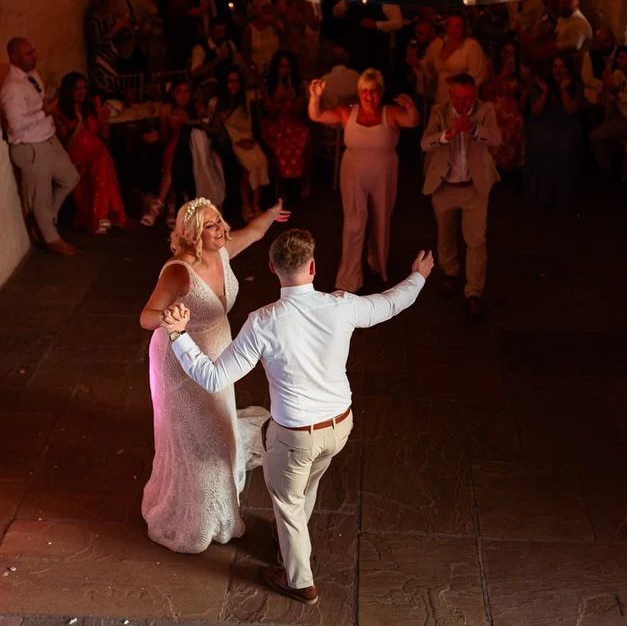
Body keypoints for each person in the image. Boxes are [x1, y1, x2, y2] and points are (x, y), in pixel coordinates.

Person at [160, 228, 434, 604]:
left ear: (272, 268)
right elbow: (390, 303)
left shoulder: (263, 322)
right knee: (307, 487)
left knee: (287, 503)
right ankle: (292, 544)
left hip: (294, 437)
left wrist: (179, 336)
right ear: (313, 267)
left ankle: (299, 580)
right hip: (339, 426)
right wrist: (418, 276)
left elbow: (213, 377)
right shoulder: (341, 305)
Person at [139, 197, 290, 553]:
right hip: (180, 359)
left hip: (217, 350)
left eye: (219, 220)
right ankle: (197, 518)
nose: (221, 229)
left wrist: (271, 213)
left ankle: (219, 502)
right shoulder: (178, 271)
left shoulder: (221, 250)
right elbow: (146, 316)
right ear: (193, 234)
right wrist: (170, 320)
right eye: (210, 225)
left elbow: (253, 232)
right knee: (200, 436)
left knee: (220, 429)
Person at [309, 68, 420, 293]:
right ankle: (349, 278)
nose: (369, 96)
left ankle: (378, 265)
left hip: (384, 171)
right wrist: (315, 97)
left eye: (374, 91)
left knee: (381, 219)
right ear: (359, 93)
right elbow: (317, 115)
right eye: (365, 91)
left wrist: (410, 106)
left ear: (381, 92)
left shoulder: (390, 113)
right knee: (354, 221)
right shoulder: (347, 112)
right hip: (353, 171)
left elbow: (412, 121)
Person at [421, 72, 501, 318]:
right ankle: (450, 273)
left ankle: (473, 292)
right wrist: (447, 135)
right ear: (450, 94)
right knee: (445, 234)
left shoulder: (485, 110)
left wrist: (473, 129)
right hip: (444, 186)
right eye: (457, 98)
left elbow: (496, 138)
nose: (462, 103)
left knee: (476, 241)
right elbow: (424, 143)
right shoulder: (439, 112)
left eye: (467, 98)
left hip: (474, 187)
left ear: (474, 94)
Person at [0, 38, 80, 255]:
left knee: (70, 177)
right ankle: (52, 239)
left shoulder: (31, 75)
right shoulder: (12, 88)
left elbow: (38, 102)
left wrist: (47, 106)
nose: (34, 57)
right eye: (28, 54)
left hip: (47, 138)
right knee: (40, 197)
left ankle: (45, 220)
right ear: (14, 58)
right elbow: (15, 125)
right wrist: (44, 112)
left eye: (33, 52)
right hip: (31, 146)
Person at [54, 72, 127, 235]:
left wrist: (103, 122)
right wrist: (79, 124)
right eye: (77, 89)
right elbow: (67, 145)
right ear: (69, 91)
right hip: (77, 155)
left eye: (84, 88)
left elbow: (105, 138)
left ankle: (102, 216)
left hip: (96, 150)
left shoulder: (91, 107)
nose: (81, 92)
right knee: (101, 162)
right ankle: (102, 215)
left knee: (103, 160)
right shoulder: (60, 112)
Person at [209, 66, 270, 222]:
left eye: (237, 81)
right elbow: (213, 128)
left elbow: (253, 122)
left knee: (261, 162)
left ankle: (256, 204)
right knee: (246, 168)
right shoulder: (216, 102)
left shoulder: (246, 99)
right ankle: (246, 206)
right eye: (230, 81)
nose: (234, 85)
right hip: (231, 143)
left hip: (249, 139)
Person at [524, 55, 582, 207]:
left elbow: (570, 110)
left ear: (568, 68)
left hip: (565, 123)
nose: (558, 70)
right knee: (540, 143)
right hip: (544, 121)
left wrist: (563, 90)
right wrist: (545, 93)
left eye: (562, 66)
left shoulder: (576, 83)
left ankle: (561, 195)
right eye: (555, 66)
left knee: (563, 145)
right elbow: (536, 111)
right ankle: (540, 194)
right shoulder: (542, 83)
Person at [141, 81, 196, 228]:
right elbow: (165, 136)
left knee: (179, 154)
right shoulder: (167, 109)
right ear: (173, 94)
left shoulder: (197, 108)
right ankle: (169, 206)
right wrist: (156, 137)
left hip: (193, 146)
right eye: (179, 91)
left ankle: (160, 204)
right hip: (174, 145)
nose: (183, 95)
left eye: (187, 91)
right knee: (175, 155)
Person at [261, 51, 312, 197]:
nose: (285, 70)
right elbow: (269, 112)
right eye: (282, 66)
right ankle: (282, 184)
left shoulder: (299, 85)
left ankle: (303, 181)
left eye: (288, 67)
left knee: (302, 140)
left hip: (293, 121)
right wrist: (277, 99)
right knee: (279, 143)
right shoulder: (267, 85)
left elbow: (301, 112)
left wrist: (293, 99)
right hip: (275, 123)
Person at [589, 44, 627, 182]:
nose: (618, 60)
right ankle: (607, 169)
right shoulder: (618, 74)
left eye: (622, 58)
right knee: (594, 136)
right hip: (620, 119)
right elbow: (610, 95)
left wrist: (618, 93)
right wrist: (605, 88)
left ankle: (625, 181)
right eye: (618, 57)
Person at [422, 12, 488, 105]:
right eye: (450, 25)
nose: (453, 30)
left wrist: (459, 80)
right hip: (441, 95)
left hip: (462, 97)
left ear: (463, 27)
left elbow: (479, 73)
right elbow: (427, 67)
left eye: (457, 25)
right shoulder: (438, 44)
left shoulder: (471, 46)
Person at [483, 40, 526, 173]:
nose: (508, 56)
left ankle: (507, 164)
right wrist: (501, 76)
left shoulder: (520, 70)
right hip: (493, 103)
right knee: (495, 122)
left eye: (511, 53)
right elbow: (486, 93)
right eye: (505, 52)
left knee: (516, 122)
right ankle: (493, 163)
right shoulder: (491, 68)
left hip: (511, 105)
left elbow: (522, 96)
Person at [86, 0, 124, 97]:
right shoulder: (94, 19)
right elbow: (97, 41)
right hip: (101, 63)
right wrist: (116, 29)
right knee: (107, 94)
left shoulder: (107, 15)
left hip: (111, 61)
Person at [243, 0, 283, 79]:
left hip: (274, 73)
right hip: (256, 74)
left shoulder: (275, 27)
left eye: (267, 7)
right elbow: (245, 54)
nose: (265, 11)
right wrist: (254, 71)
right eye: (262, 8)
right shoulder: (250, 29)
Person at [581, 27, 617, 112]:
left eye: (605, 41)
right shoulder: (590, 55)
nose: (601, 45)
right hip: (598, 97)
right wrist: (605, 87)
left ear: (613, 41)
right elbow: (587, 79)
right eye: (598, 42)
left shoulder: (622, 55)